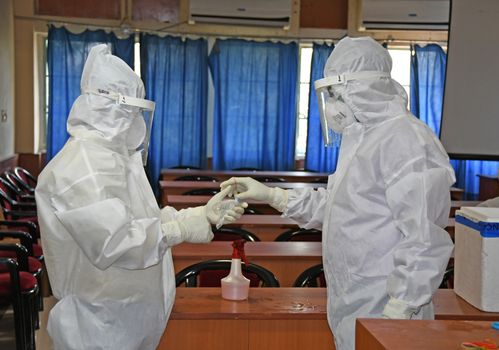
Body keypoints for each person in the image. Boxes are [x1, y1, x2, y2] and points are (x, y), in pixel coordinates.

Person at [221, 37, 455, 349]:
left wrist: (399, 310)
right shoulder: (362, 137)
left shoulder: (406, 140)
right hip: (355, 299)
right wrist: (273, 196)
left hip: (387, 306)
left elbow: (424, 238)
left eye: (334, 94)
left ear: (361, 88)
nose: (331, 106)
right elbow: (340, 208)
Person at [35, 44, 245, 350]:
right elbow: (116, 243)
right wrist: (181, 229)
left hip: (121, 320)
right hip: (98, 329)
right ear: (111, 107)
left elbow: (138, 222)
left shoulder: (111, 158)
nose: (136, 122)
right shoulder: (80, 169)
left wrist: (194, 215)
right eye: (132, 112)